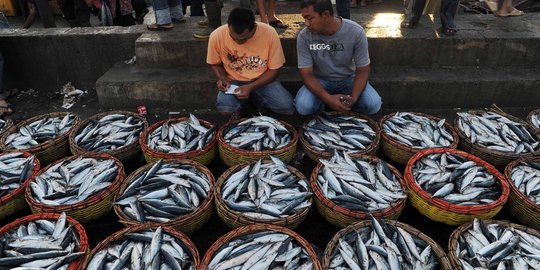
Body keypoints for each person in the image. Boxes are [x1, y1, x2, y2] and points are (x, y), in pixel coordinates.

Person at [294, 0, 382, 116]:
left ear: (325, 14)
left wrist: (354, 98)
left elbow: (363, 69)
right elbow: (307, 74)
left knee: (373, 105)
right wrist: (328, 99)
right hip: (320, 80)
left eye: (310, 18)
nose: (306, 23)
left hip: (349, 78)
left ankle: (347, 107)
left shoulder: (355, 31)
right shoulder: (304, 36)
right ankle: (326, 104)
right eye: (304, 19)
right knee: (303, 107)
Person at [206, 7, 295, 119]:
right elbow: (214, 63)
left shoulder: (269, 33)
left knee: (287, 107)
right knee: (225, 108)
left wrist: (251, 86)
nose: (238, 42)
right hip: (233, 81)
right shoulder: (217, 35)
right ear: (228, 25)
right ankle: (243, 107)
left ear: (254, 29)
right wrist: (222, 78)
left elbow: (274, 69)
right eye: (233, 38)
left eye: (243, 39)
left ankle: (256, 102)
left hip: (262, 80)